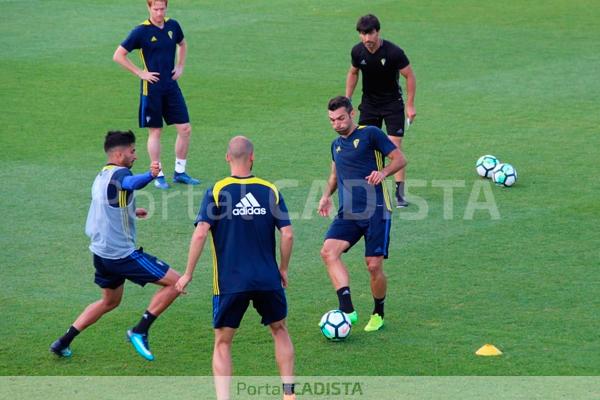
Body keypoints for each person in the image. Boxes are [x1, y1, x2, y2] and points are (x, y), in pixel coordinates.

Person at [175, 136, 296, 400]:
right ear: (252, 157)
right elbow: (287, 234)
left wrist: (187, 274)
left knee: (222, 342)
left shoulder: (217, 191)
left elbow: (200, 233)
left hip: (230, 283)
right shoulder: (270, 190)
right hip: (267, 278)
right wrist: (283, 269)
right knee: (280, 330)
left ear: (227, 157)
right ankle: (289, 394)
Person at [50, 130, 182, 361]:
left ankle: (62, 342)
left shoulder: (102, 174)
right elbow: (130, 182)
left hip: (100, 252)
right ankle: (139, 330)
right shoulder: (121, 174)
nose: (135, 156)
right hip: (120, 254)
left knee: (109, 301)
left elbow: (110, 201)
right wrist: (151, 176)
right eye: (132, 151)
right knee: (177, 283)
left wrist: (131, 210)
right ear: (119, 154)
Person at [318, 96, 407, 332]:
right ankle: (347, 310)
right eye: (332, 120)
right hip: (348, 212)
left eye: (341, 118)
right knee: (328, 252)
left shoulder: (371, 134)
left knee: (373, 265)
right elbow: (335, 176)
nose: (337, 124)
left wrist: (383, 173)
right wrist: (326, 195)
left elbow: (400, 158)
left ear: (352, 114)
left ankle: (378, 312)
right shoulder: (335, 145)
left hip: (376, 209)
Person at [113, 0, 199, 190]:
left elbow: (182, 44)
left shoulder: (173, 26)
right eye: (156, 9)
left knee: (185, 129)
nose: (159, 13)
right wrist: (140, 73)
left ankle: (180, 172)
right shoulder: (141, 31)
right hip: (151, 89)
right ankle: (157, 174)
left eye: (162, 9)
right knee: (156, 132)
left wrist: (180, 66)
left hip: (171, 86)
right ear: (149, 8)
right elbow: (118, 55)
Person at [345, 14, 416, 207]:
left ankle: (400, 193)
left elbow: (409, 76)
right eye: (363, 34)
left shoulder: (393, 52)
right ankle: (369, 188)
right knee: (365, 146)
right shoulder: (357, 52)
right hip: (369, 105)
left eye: (370, 34)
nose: (367, 38)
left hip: (393, 104)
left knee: (394, 147)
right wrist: (348, 99)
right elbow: (353, 72)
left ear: (378, 32)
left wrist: (409, 104)